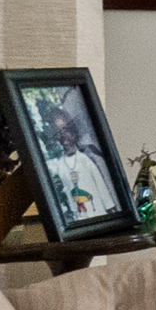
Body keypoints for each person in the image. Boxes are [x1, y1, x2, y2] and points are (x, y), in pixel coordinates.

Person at [37, 94, 120, 223]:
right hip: (81, 217)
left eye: (65, 130)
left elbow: (101, 184)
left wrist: (110, 208)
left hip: (98, 212)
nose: (63, 135)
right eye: (57, 132)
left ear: (72, 131)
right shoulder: (60, 165)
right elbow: (68, 191)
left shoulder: (86, 157)